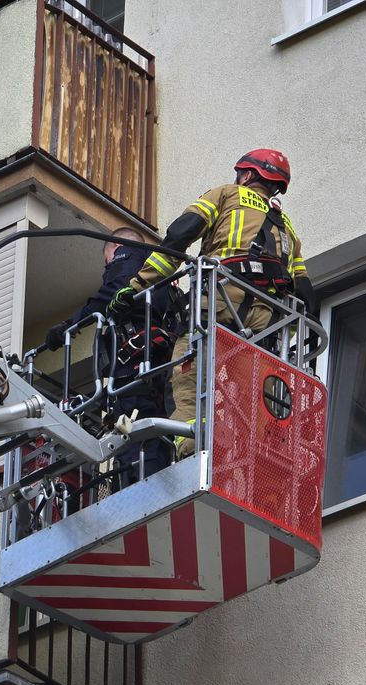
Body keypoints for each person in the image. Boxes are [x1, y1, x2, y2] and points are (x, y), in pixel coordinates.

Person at [109, 149, 318, 458]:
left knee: (186, 373)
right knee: (254, 397)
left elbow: (178, 239)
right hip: (264, 323)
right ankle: (257, 459)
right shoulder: (287, 228)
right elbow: (304, 290)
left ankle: (190, 449)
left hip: (220, 301)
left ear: (246, 175)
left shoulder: (225, 194)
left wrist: (137, 286)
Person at [45, 227, 179, 483]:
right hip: (158, 361)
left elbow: (115, 289)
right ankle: (160, 483)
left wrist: (69, 325)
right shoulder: (163, 272)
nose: (108, 265)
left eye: (106, 260)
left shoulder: (126, 255)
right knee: (156, 428)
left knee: (131, 429)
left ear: (114, 248)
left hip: (134, 363)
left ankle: (136, 490)